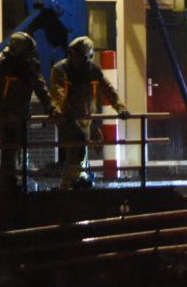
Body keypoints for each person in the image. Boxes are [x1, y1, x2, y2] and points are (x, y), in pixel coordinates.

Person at [50, 36, 130, 189]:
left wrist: (120, 107)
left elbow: (108, 90)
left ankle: (75, 181)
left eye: (79, 56)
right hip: (68, 118)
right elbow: (58, 94)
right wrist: (68, 113)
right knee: (76, 148)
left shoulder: (93, 71)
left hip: (86, 117)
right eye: (74, 55)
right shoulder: (60, 70)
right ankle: (72, 183)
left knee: (81, 149)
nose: (76, 59)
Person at [0, 32, 55, 193]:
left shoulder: (30, 65)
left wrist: (50, 105)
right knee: (9, 151)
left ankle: (14, 183)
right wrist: (3, 116)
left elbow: (40, 87)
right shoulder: (2, 66)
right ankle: (6, 187)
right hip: (4, 116)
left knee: (17, 150)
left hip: (19, 115)